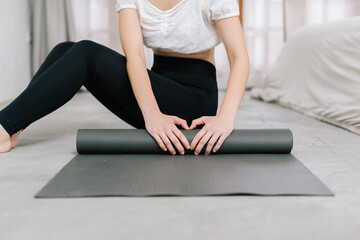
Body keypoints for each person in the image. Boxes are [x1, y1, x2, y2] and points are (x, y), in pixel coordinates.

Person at [0, 0, 249, 155]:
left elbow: (239, 59)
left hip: (193, 101)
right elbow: (135, 58)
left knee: (86, 52)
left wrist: (225, 118)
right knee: (65, 49)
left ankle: (3, 125)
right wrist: (153, 115)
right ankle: (13, 126)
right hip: (154, 92)